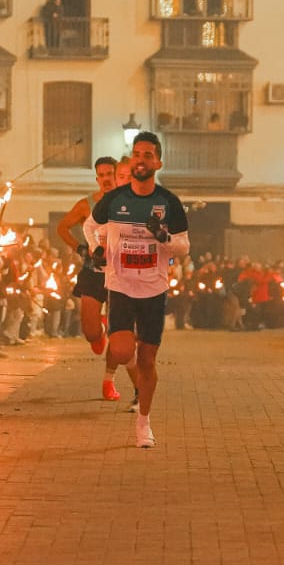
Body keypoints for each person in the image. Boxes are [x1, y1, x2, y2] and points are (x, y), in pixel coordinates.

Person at [85, 132, 190, 448]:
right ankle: (118, 359)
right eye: (137, 154)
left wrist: (164, 239)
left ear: (157, 162)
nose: (141, 160)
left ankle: (143, 422)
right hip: (120, 286)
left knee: (147, 362)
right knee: (120, 351)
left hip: (154, 289)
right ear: (131, 162)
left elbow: (184, 247)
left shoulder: (168, 202)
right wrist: (96, 248)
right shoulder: (115, 200)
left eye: (148, 155)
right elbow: (91, 226)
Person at [56, 157, 118, 387]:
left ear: (116, 174)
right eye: (101, 175)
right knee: (91, 333)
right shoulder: (86, 205)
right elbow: (61, 227)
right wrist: (80, 248)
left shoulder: (126, 202)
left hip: (120, 274)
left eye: (109, 174)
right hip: (93, 272)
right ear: (97, 179)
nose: (106, 179)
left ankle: (109, 380)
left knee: (119, 332)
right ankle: (98, 331)